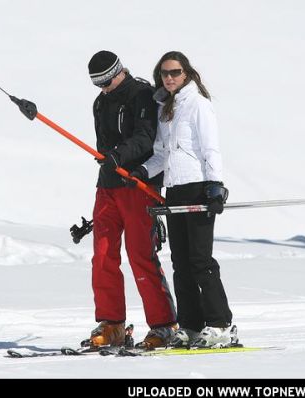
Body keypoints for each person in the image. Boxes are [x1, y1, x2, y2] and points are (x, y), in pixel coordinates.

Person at [129, 51, 238, 348]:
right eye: (164, 73)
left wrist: (215, 185)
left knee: (201, 260)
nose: (170, 77)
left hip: (199, 187)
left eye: (175, 72)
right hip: (174, 189)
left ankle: (221, 324)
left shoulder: (199, 105)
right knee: (180, 262)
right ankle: (191, 325)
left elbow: (210, 147)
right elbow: (162, 154)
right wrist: (141, 170)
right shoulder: (165, 107)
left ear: (186, 73)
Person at [86, 50, 177, 349]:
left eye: (107, 82)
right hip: (108, 188)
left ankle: (163, 325)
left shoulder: (143, 96)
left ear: (119, 72)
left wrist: (118, 156)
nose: (104, 89)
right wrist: (109, 162)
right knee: (102, 256)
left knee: (140, 255)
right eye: (98, 84)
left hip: (138, 185)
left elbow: (146, 137)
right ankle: (112, 324)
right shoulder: (100, 103)